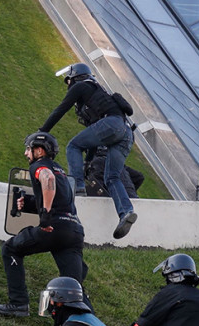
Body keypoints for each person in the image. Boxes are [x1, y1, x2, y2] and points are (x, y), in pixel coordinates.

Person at [40, 63, 137, 240]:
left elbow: (60, 109)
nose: (68, 85)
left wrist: (42, 131)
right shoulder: (99, 94)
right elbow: (95, 138)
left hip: (112, 124)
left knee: (73, 146)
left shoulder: (81, 86)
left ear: (75, 77)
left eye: (68, 81)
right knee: (112, 177)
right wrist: (87, 162)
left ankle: (77, 188)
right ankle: (126, 212)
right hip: (126, 133)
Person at [0, 132, 87, 319]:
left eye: (28, 149)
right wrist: (30, 203)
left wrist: (44, 216)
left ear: (39, 150)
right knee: (74, 287)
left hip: (53, 229)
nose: (25, 153)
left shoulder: (40, 166)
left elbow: (47, 179)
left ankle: (18, 304)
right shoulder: (59, 170)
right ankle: (82, 320)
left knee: (10, 249)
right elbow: (59, 200)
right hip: (74, 230)